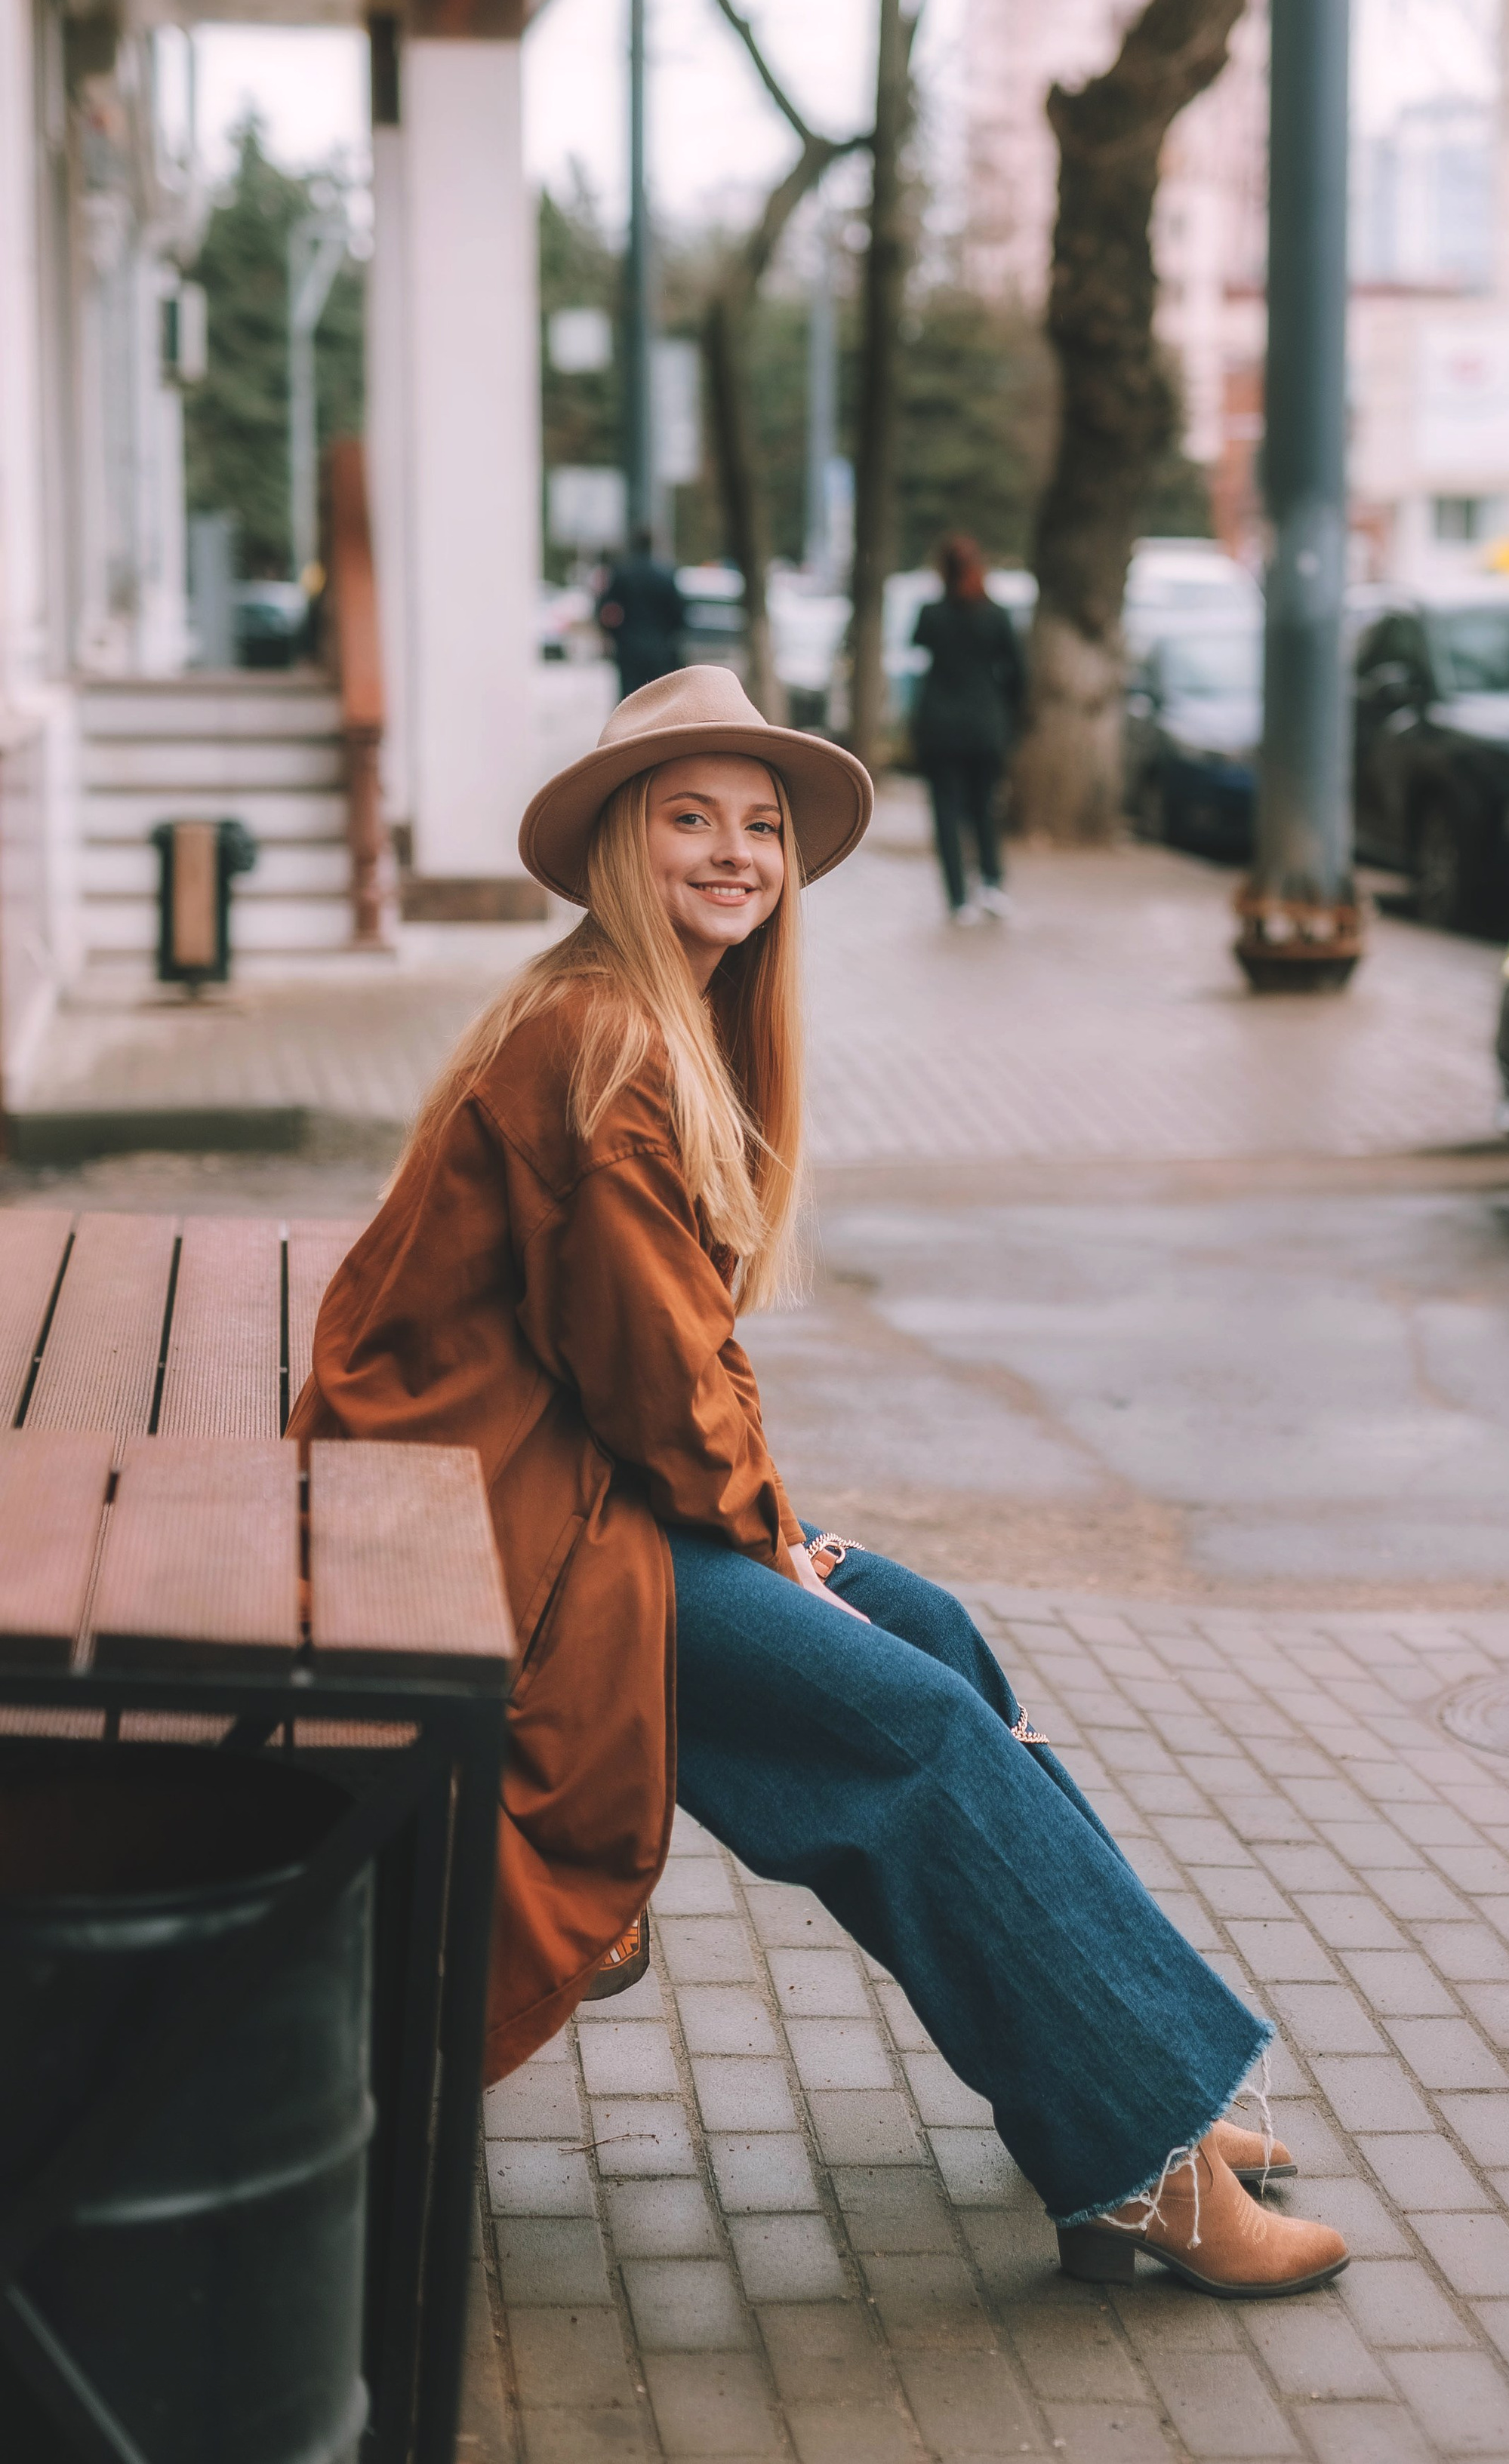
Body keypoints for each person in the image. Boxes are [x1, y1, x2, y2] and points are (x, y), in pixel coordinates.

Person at [288, 667, 1347, 2302]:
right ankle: (1141, 2164)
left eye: (761, 827)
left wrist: (782, 1535)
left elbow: (673, 1362)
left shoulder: (650, 1019)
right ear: (623, 848)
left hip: (559, 1494)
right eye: (689, 820)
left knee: (928, 1628)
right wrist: (770, 1544)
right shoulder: (600, 1047)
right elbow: (654, 1379)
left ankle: (1130, 2088)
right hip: (498, 1536)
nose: (734, 854)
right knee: (912, 1733)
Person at [912, 533, 1025, 925]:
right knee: (984, 807)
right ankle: (991, 884)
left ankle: (958, 898)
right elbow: (1017, 672)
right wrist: (1004, 711)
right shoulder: (996, 616)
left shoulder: (931, 615)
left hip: (940, 728)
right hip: (984, 727)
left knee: (945, 812)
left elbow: (919, 651)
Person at [596, 525, 686, 696]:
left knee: (630, 698)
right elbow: (679, 614)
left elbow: (607, 611)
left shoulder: (621, 574)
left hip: (629, 647)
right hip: (660, 649)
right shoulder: (665, 575)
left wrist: (615, 635)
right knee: (659, 697)